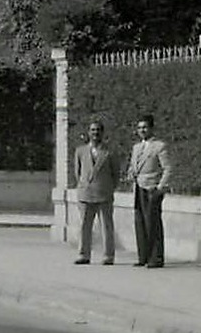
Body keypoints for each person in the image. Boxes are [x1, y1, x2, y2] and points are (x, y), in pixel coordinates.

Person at [125, 113, 174, 268]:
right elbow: (133, 167)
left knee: (153, 223)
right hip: (138, 188)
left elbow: (168, 168)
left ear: (152, 128)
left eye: (145, 127)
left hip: (151, 188)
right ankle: (143, 256)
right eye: (139, 128)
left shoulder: (159, 146)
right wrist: (130, 173)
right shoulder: (136, 147)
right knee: (140, 222)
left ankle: (156, 258)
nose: (142, 130)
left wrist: (160, 188)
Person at [72, 120, 118, 265]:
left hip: (104, 193)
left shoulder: (109, 152)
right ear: (88, 132)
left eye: (98, 130)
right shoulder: (80, 151)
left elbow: (115, 173)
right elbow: (77, 172)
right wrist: (83, 185)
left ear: (102, 133)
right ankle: (83, 254)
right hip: (85, 193)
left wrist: (109, 188)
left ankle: (108, 256)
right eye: (92, 130)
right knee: (84, 226)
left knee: (107, 226)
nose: (95, 133)